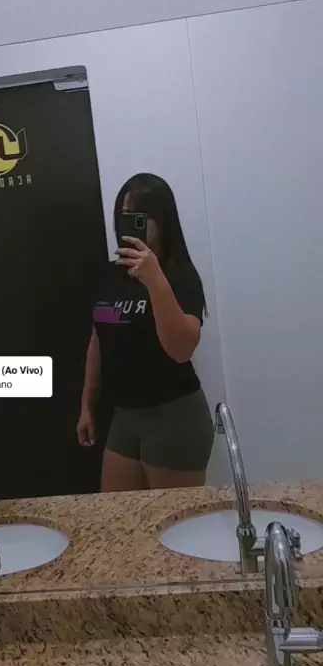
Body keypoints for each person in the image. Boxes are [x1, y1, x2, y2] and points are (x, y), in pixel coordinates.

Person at [76, 173, 214, 491]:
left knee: (172, 520)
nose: (132, 221)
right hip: (124, 417)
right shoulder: (112, 274)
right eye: (126, 213)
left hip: (174, 417)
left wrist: (154, 279)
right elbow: (98, 341)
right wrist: (87, 406)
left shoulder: (179, 275)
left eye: (143, 214)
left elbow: (181, 349)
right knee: (118, 516)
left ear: (163, 221)